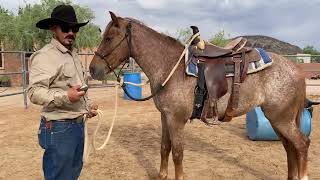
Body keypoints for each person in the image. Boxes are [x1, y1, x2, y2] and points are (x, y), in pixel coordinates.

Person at [27, 4, 98, 180]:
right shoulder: (45, 56)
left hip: (77, 126)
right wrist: (66, 97)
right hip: (59, 128)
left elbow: (76, 89)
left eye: (74, 29)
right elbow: (35, 92)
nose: (71, 32)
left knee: (72, 174)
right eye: (66, 28)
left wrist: (87, 107)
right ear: (53, 29)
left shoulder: (72, 54)